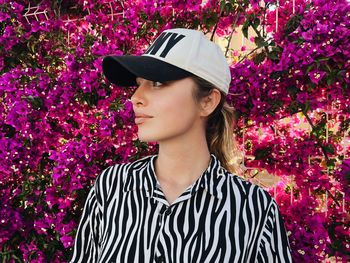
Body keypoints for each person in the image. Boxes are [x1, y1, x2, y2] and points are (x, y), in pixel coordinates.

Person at [69, 28, 293, 263]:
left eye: (156, 82)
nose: (135, 97)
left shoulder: (253, 209)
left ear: (207, 102)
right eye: (138, 83)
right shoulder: (112, 188)